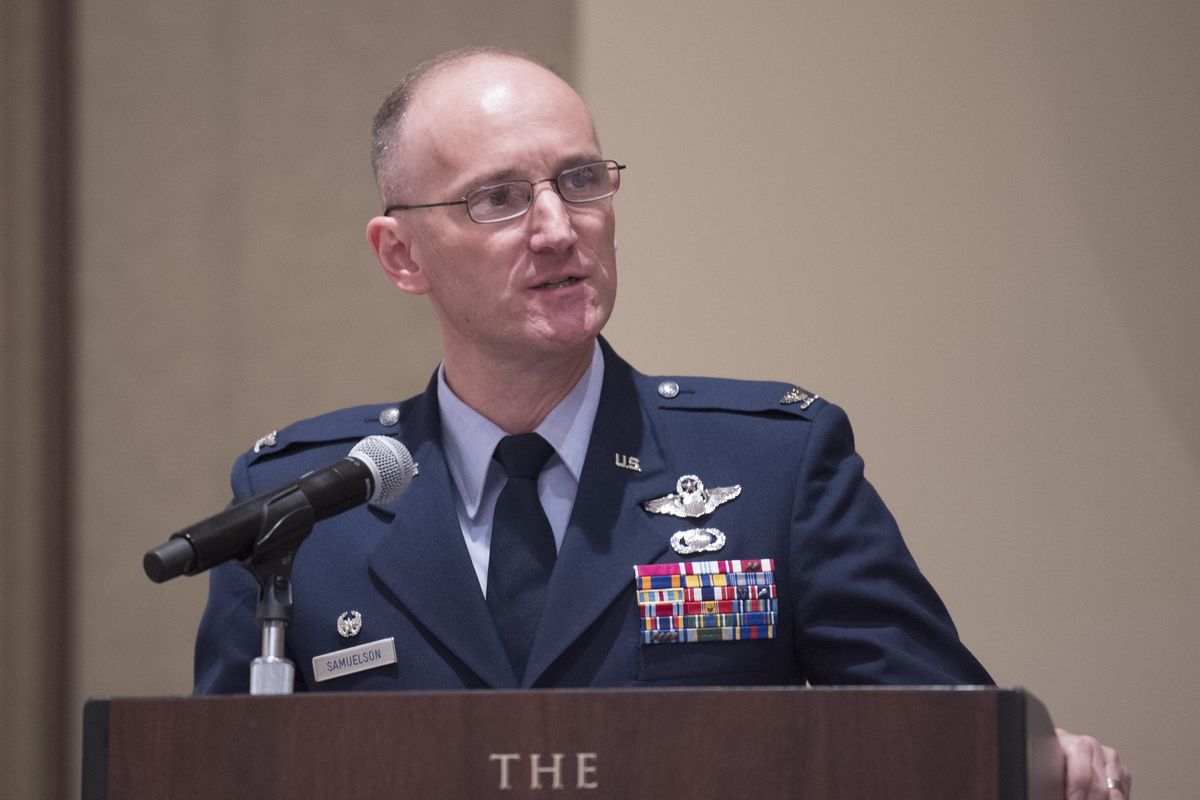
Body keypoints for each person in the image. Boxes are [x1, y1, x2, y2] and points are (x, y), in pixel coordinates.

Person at [193, 47, 1130, 798]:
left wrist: (1036, 763)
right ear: (401, 255)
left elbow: (939, 740)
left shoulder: (774, 464)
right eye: (500, 198)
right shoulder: (304, 512)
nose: (559, 228)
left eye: (581, 179)